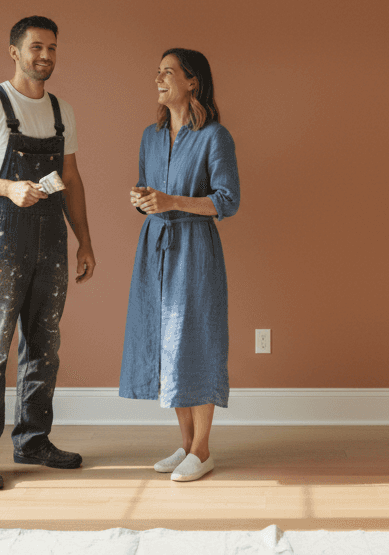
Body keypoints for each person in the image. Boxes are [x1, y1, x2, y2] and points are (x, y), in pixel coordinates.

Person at [0, 15, 97, 490]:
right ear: (14, 51)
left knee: (44, 346)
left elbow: (70, 180)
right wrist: (6, 187)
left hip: (51, 241)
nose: (45, 56)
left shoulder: (61, 111)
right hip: (1, 239)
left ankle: (33, 440)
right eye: (36, 47)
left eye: (52, 48)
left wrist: (85, 242)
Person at [121, 48, 240, 482]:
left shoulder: (215, 137)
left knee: (196, 341)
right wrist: (144, 201)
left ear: (193, 82)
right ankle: (186, 444)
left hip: (194, 249)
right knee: (166, 341)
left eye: (168, 72)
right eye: (158, 72)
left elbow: (229, 201)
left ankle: (204, 449)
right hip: (154, 246)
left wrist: (172, 202)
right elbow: (148, 191)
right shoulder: (149, 137)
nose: (159, 78)